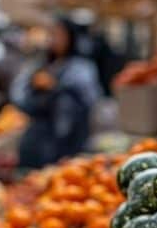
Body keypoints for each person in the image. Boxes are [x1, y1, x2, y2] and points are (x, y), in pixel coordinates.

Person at [11, 17, 101, 169]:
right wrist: (33, 85)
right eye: (52, 34)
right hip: (40, 140)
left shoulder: (81, 67)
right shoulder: (38, 66)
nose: (55, 40)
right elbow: (18, 96)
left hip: (70, 139)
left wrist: (57, 87)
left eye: (60, 35)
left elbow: (91, 99)